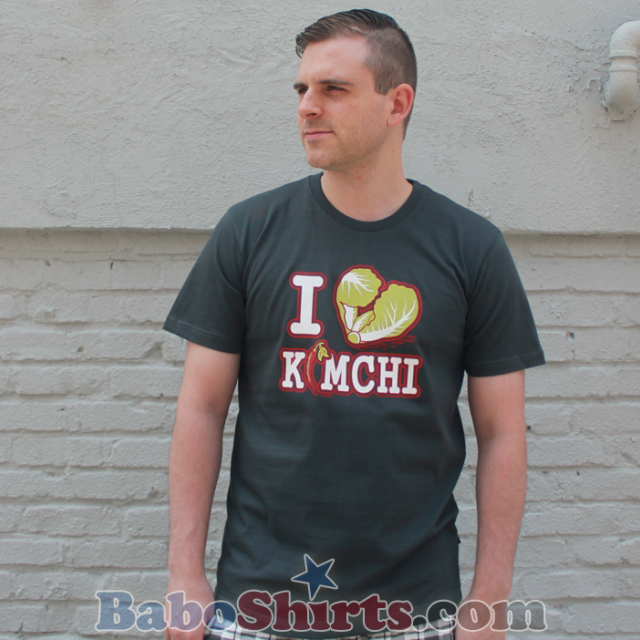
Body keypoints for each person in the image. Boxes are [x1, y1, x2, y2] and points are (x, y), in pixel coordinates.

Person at [162, 9, 545, 640]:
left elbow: (503, 432)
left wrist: (491, 596)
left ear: (398, 103)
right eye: (301, 89)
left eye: (333, 89)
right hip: (258, 604)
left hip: (413, 609)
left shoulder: (471, 248)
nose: (307, 106)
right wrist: (184, 574)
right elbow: (200, 408)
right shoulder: (249, 232)